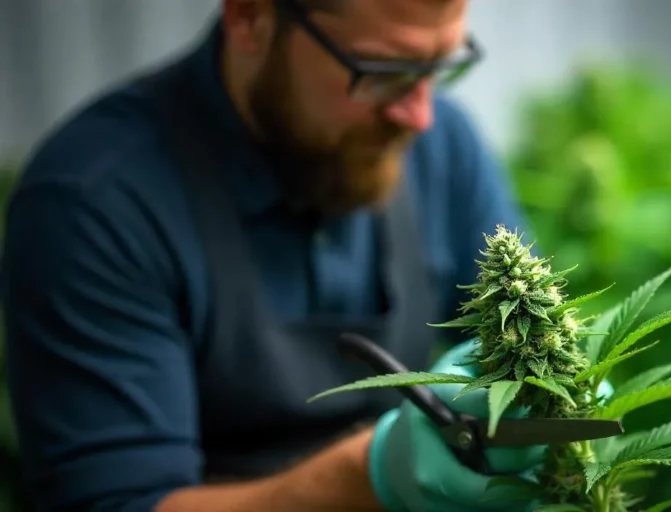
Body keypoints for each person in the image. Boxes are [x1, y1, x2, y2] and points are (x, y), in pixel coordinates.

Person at [0, 0, 546, 510]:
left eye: (438, 66)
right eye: (382, 72)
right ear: (249, 18)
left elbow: (522, 346)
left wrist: (548, 385)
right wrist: (375, 471)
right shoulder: (96, 200)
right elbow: (119, 501)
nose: (419, 115)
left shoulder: (443, 148)